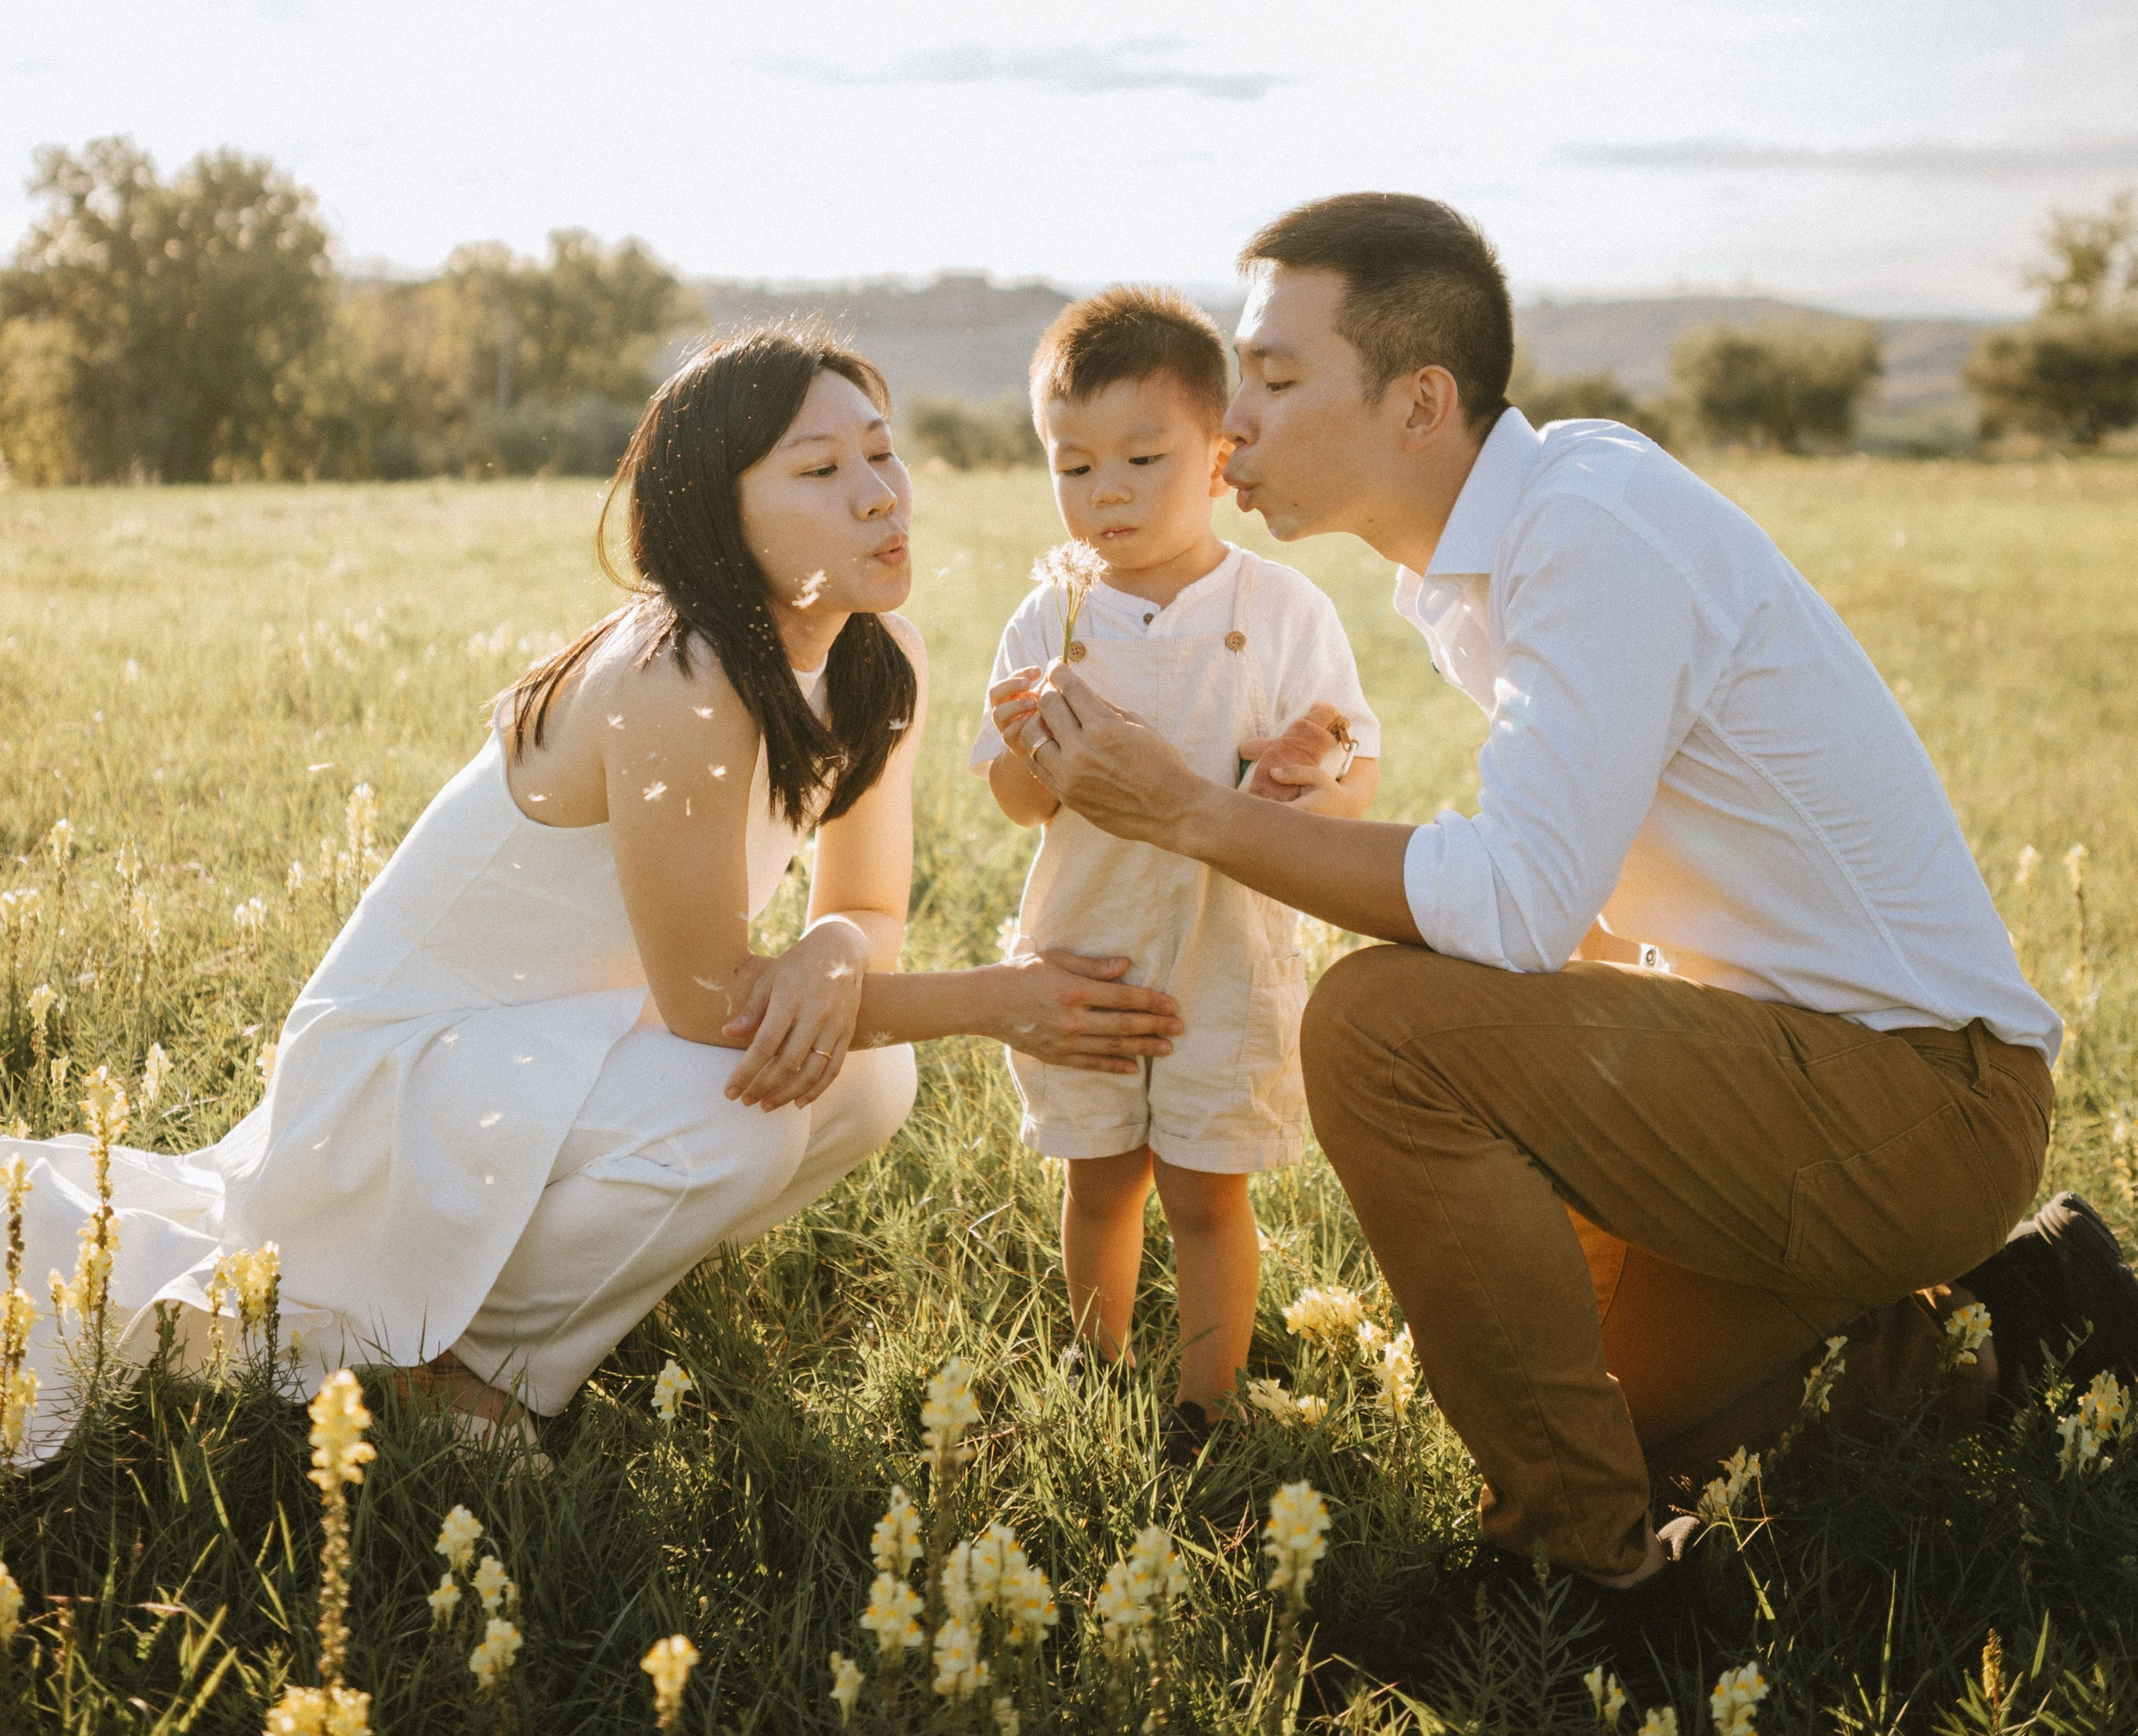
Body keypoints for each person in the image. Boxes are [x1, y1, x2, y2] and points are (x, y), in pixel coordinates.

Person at [1012, 193, 2138, 1658]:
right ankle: (2010, 1307)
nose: (1233, 423)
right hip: (1798, 1072)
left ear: (1422, 403)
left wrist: (1191, 812)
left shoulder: (1589, 533)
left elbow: (1516, 904)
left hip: (1925, 1094)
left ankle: (1590, 1584)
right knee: (1626, 1404)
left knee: (1379, 1026)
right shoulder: (1485, 557)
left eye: (1276, 378)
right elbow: (1569, 909)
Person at [13, 327, 1183, 1460]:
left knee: (870, 1078)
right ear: (717, 512)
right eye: (821, 470)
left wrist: (831, 946)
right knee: (739, 1113)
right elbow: (710, 1005)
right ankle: (440, 1366)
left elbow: (869, 908)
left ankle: (541, 1298)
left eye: (881, 451)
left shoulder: (882, 657)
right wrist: (999, 1000)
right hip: (408, 1074)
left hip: (562, 1041)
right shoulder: (680, 676)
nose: (880, 495)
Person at [976, 287, 1380, 1453]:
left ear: (1219, 457)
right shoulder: (1050, 620)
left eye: (1143, 458)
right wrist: (1031, 749)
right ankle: (1093, 1362)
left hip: (1227, 953)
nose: (1106, 491)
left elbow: (1351, 774)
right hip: (1086, 944)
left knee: (1208, 1189)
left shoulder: (1282, 606)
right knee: (1100, 1177)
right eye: (1074, 466)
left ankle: (1209, 1402)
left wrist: (1310, 775)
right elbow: (1016, 804)